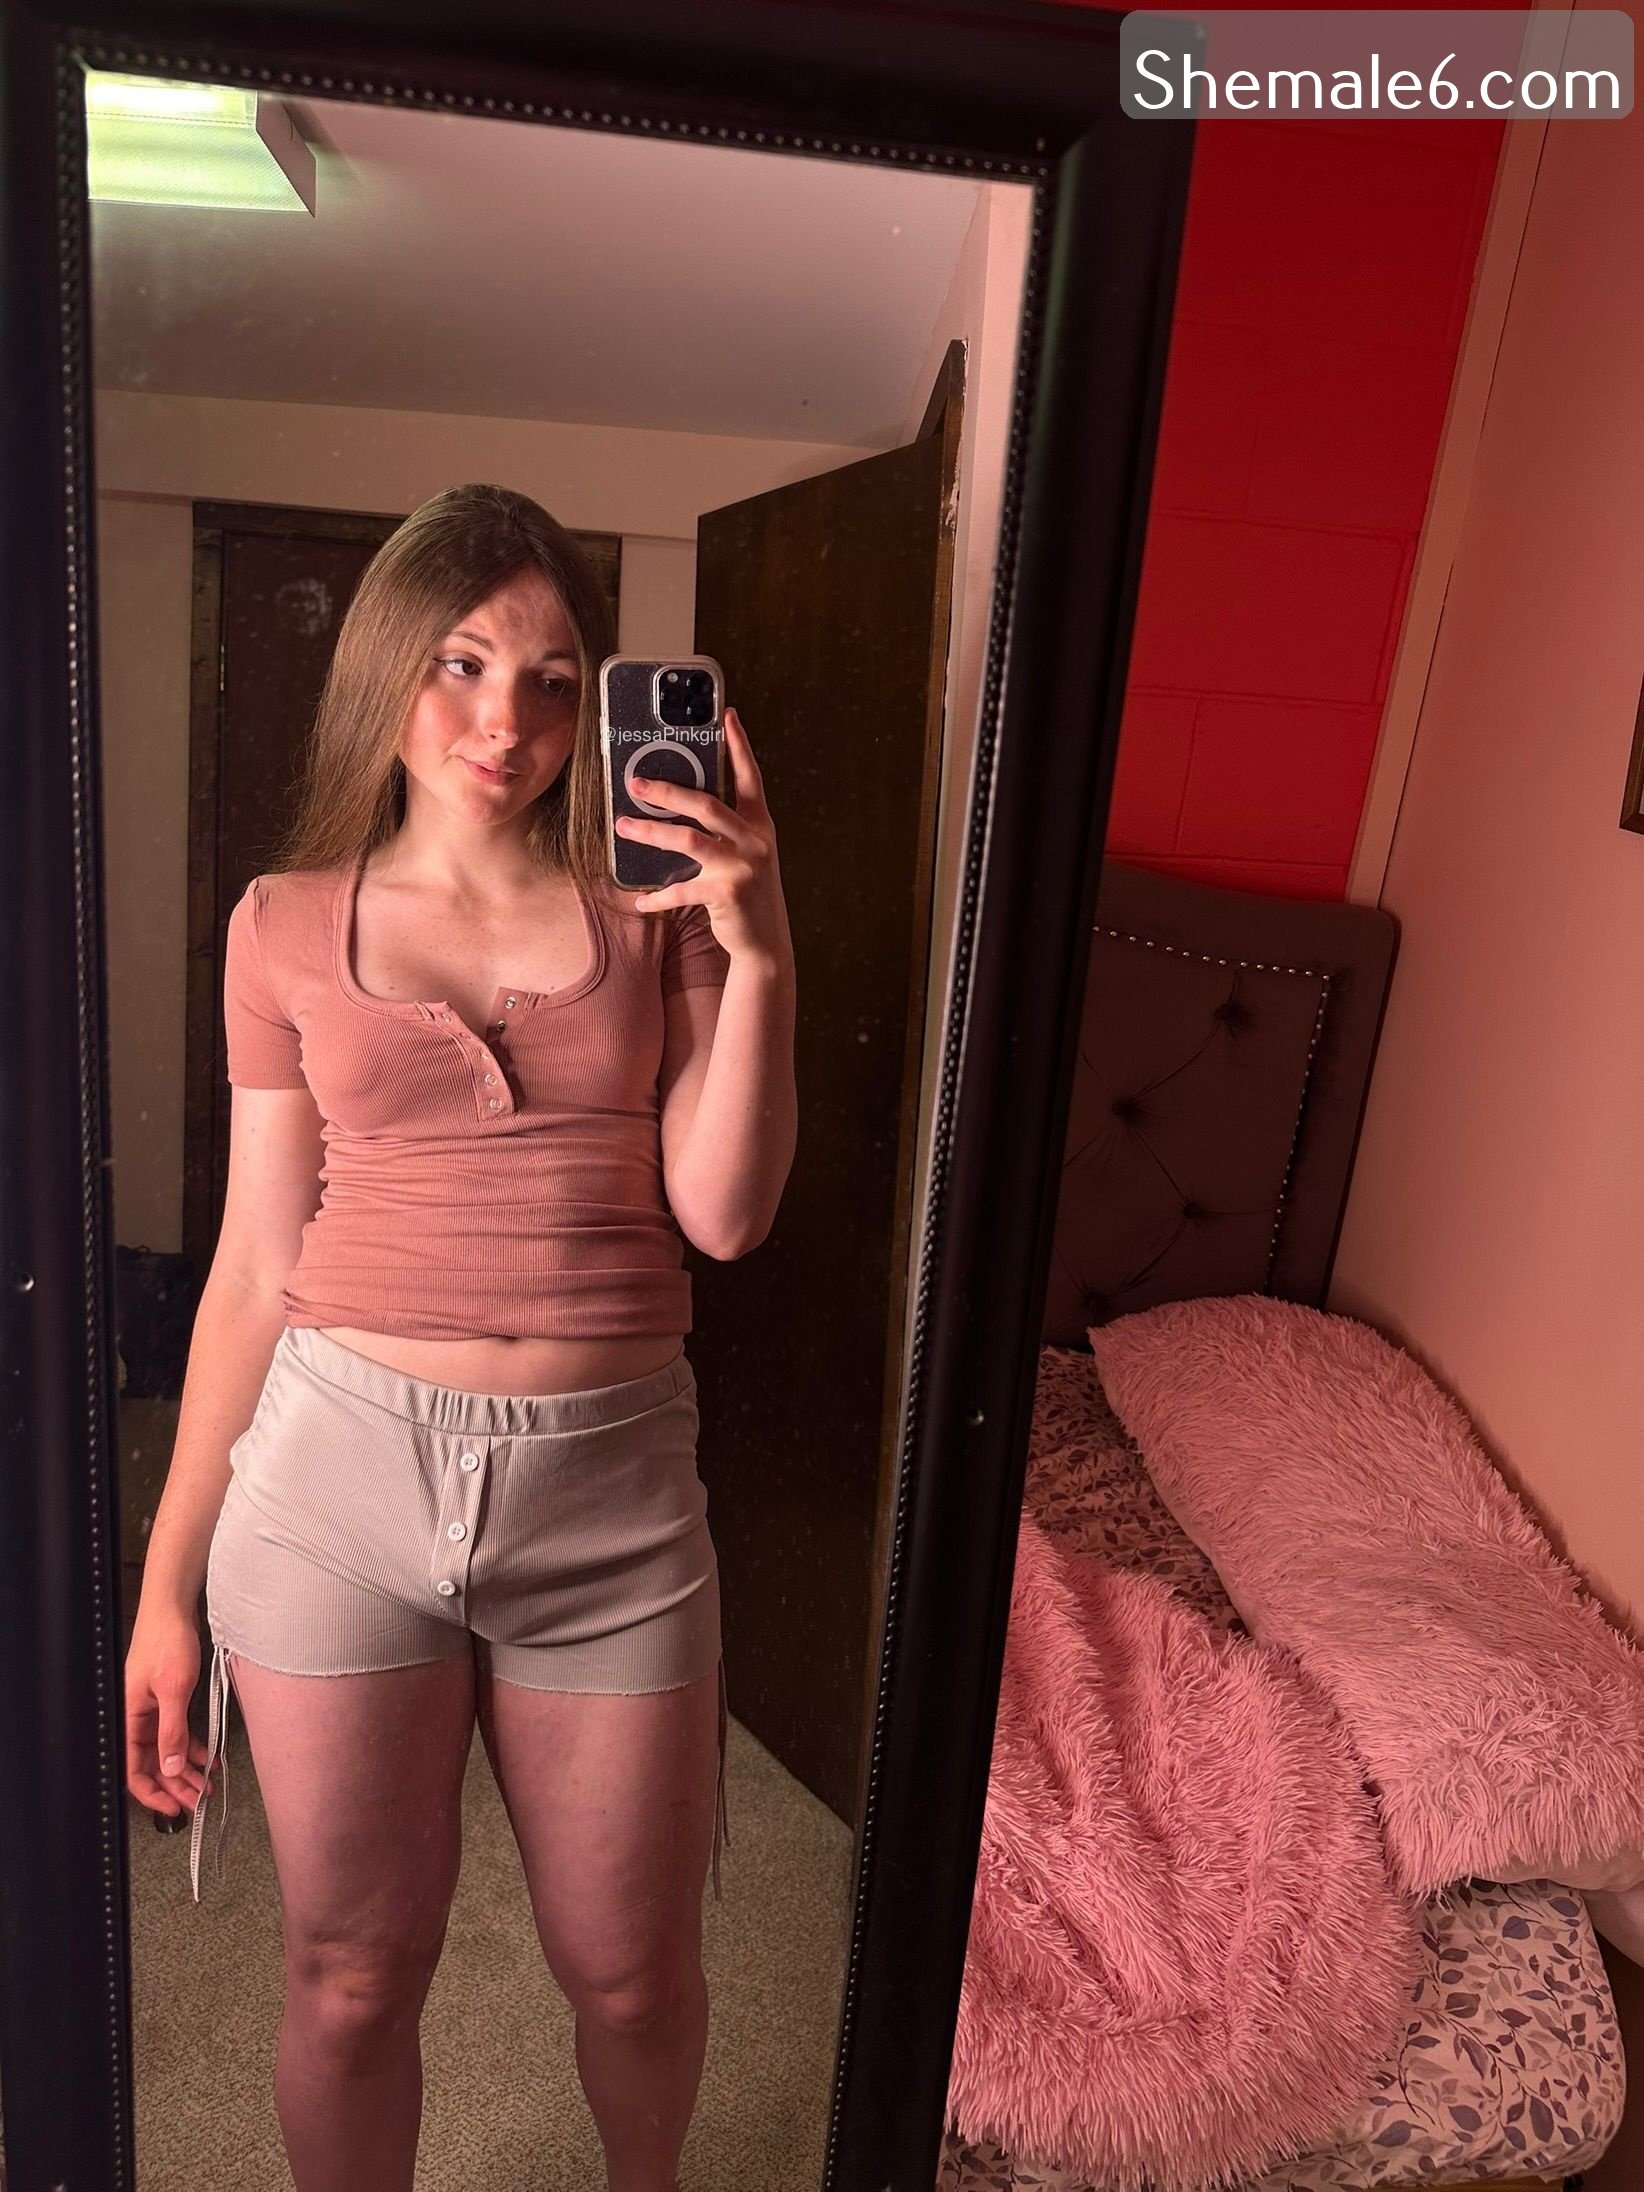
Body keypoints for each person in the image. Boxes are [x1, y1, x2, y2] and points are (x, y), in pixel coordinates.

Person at [122, 481, 797, 2192]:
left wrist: (762, 958)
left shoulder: (658, 910)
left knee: (634, 1975)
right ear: (387, 669)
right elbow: (256, 1267)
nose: (509, 721)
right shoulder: (281, 924)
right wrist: (166, 1581)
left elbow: (724, 1214)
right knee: (351, 1973)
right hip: (333, 1487)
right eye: (464, 663)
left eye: (557, 680)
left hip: (611, 1503)